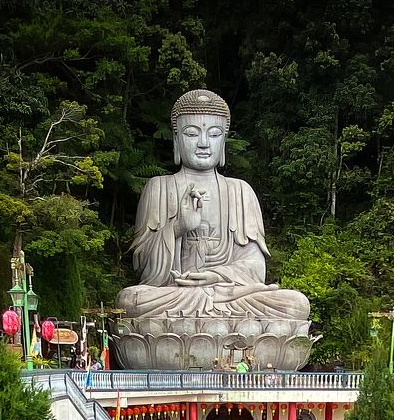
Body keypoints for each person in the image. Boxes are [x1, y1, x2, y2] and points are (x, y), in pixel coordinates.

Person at [116, 89, 310, 323]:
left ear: (224, 140)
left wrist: (214, 276)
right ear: (177, 139)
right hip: (175, 294)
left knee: (295, 304)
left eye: (214, 134)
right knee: (131, 300)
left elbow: (256, 269)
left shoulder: (241, 191)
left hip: (229, 294)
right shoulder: (158, 188)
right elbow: (144, 269)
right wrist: (178, 227)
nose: (204, 143)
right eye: (191, 134)